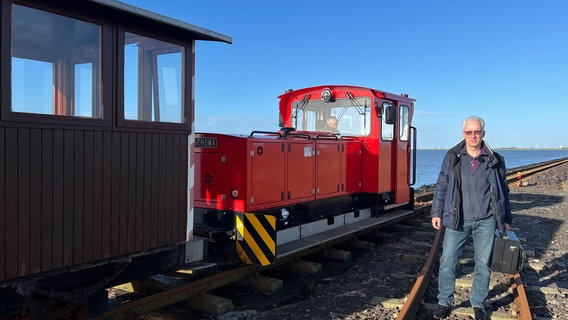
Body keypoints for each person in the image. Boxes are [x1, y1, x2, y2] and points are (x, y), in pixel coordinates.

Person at [431, 116, 512, 320]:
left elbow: (503, 191)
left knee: (483, 264)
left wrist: (506, 217)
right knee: (448, 260)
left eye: (477, 132)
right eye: (469, 132)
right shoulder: (452, 157)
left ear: (483, 133)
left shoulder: (495, 159)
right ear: (463, 134)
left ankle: (478, 303)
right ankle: (444, 301)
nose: (473, 136)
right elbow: (441, 186)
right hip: (458, 219)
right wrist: (436, 212)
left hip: (486, 219)